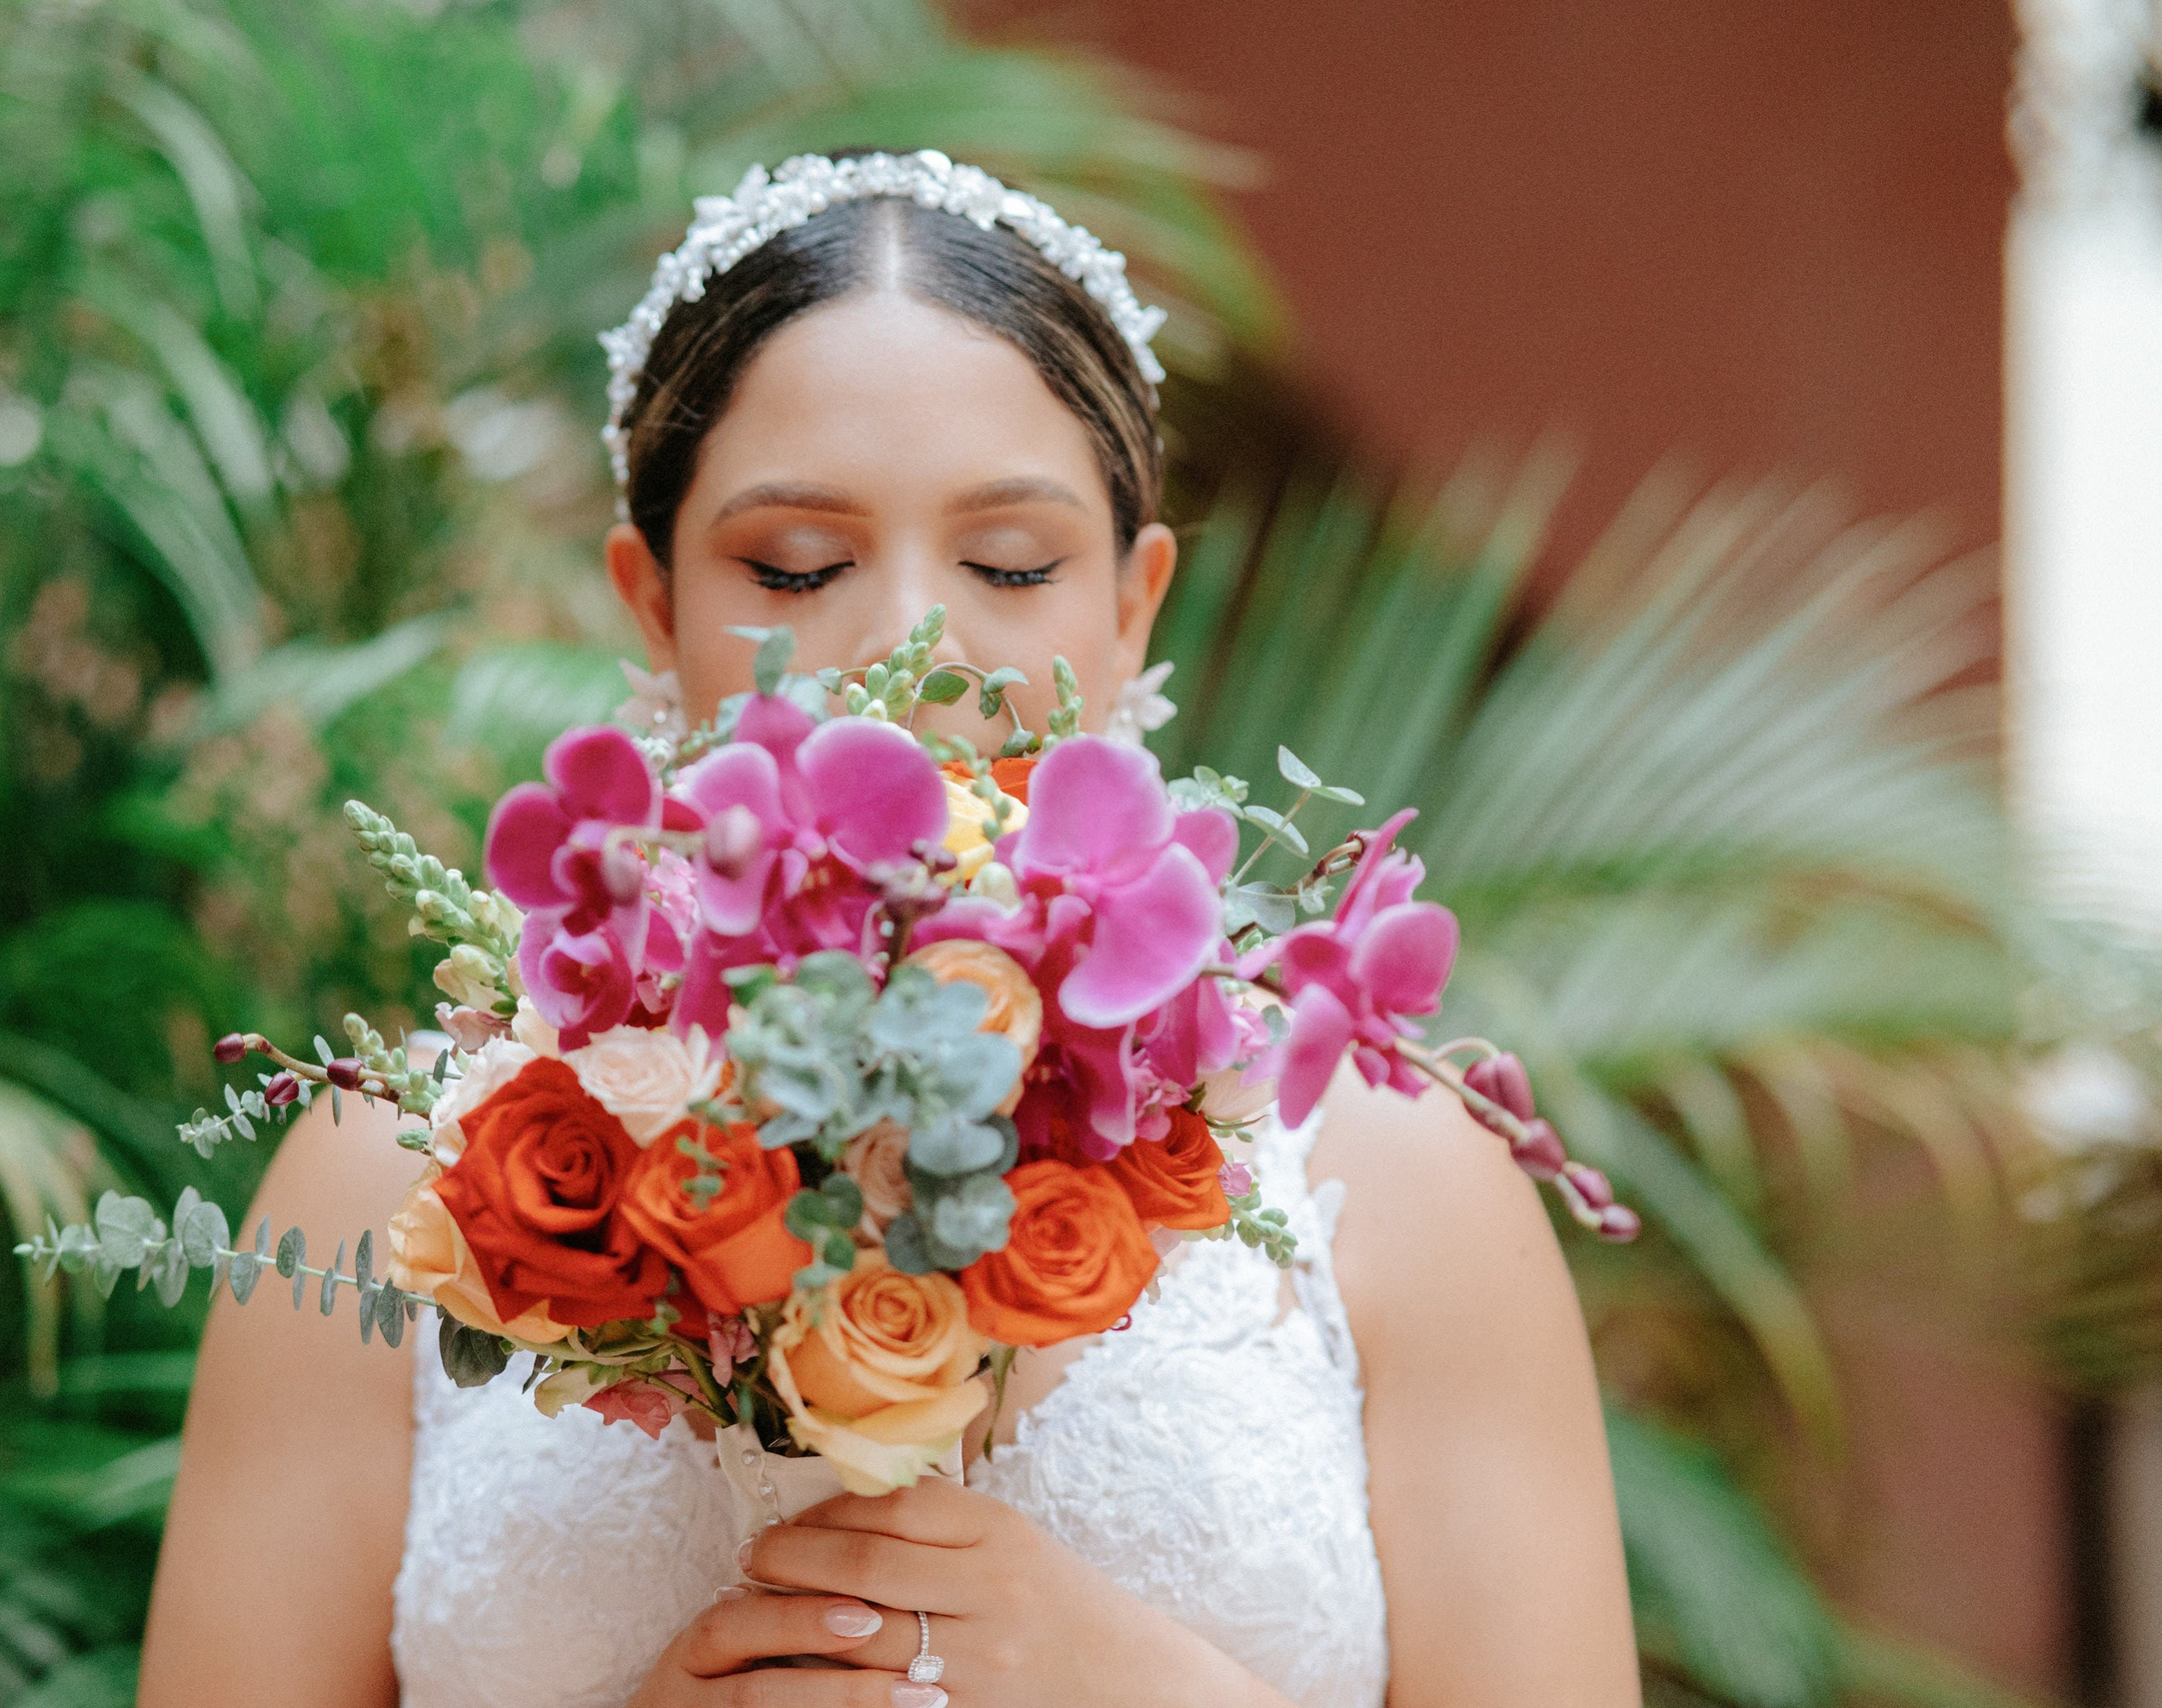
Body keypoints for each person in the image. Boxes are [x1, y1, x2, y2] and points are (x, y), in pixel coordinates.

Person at [139, 151, 1636, 1708]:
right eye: (797, 565)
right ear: (648, 603)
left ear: (1134, 603)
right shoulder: (394, 1189)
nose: (910, 654)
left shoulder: (1393, 1182)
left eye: (1010, 563)